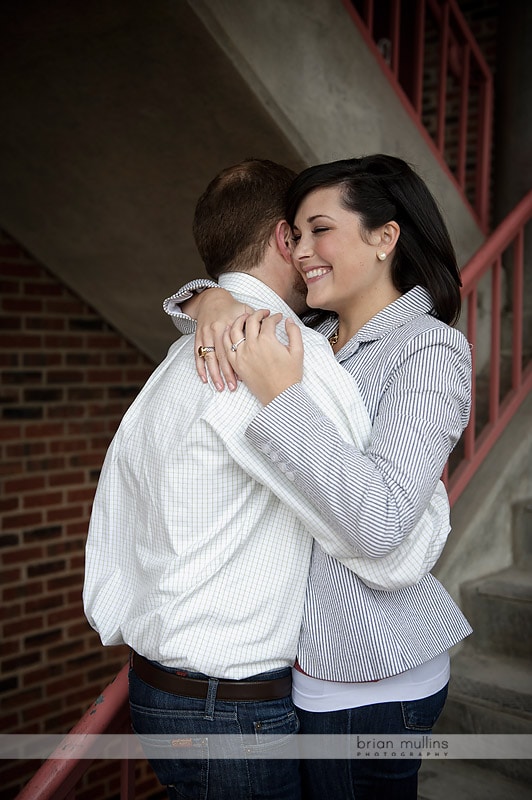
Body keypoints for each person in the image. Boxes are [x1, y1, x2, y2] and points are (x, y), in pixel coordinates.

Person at [83, 158, 452, 800]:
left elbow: (384, 530)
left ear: (384, 237)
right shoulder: (285, 340)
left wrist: (219, 306)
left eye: (322, 231)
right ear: (283, 239)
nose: (308, 251)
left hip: (340, 673)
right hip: (248, 691)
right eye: (300, 235)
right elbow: (391, 532)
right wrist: (210, 298)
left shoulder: (413, 348)